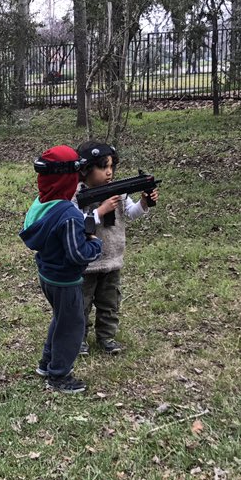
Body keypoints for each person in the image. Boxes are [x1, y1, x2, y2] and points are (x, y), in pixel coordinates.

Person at [19, 145, 103, 394]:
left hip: (47, 275)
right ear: (69, 179)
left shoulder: (40, 204)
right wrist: (95, 244)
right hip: (66, 281)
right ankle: (59, 375)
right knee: (72, 327)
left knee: (61, 319)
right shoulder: (68, 215)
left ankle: (47, 363)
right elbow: (78, 255)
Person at [74, 141, 158, 354]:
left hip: (112, 258)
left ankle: (107, 337)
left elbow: (132, 213)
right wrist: (100, 211)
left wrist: (144, 202)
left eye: (111, 166)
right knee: (81, 304)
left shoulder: (118, 192)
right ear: (85, 169)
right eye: (103, 167)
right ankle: (78, 339)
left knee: (110, 303)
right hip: (86, 262)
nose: (109, 172)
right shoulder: (76, 195)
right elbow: (75, 223)